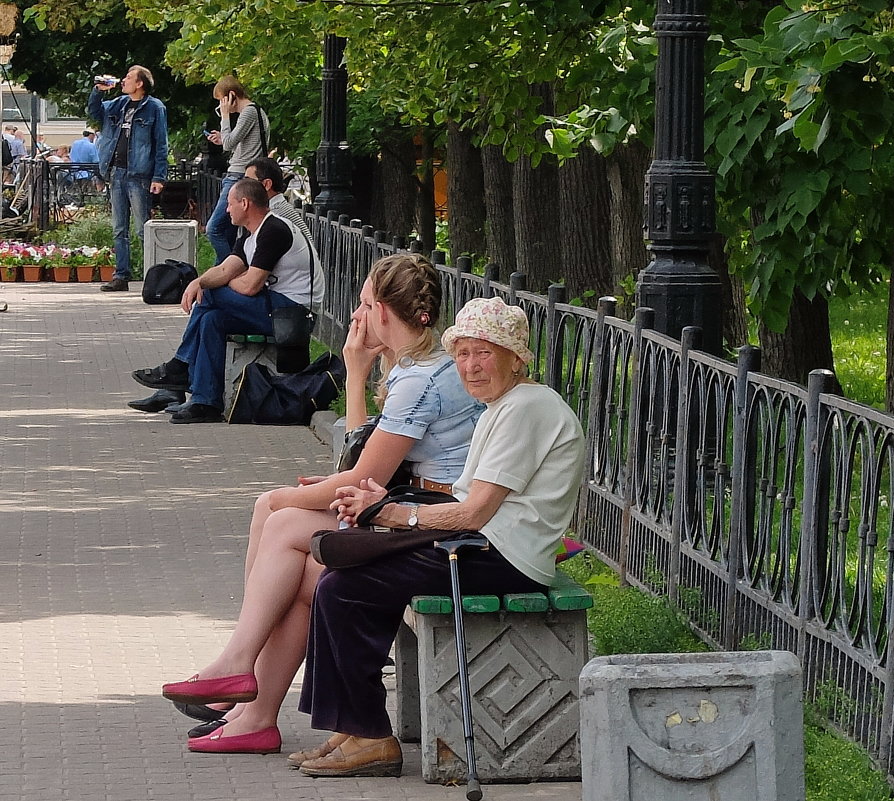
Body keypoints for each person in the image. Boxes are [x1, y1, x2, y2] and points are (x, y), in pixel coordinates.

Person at [160, 254, 484, 755]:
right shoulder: (417, 369)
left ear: (382, 313)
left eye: (363, 303)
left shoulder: (420, 380)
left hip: (437, 520)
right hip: (415, 506)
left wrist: (354, 376)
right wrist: (360, 376)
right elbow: (364, 460)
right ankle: (251, 706)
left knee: (281, 516)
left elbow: (360, 473)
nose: (356, 315)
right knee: (295, 570)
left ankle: (243, 682)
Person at [295, 298, 582, 777]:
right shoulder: (504, 404)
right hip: (487, 545)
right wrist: (386, 501)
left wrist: (393, 515)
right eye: (463, 354)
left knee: (345, 588)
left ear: (516, 357)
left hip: (505, 557)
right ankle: (353, 728)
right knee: (341, 580)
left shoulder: (526, 408)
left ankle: (370, 737)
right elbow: (469, 497)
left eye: (484, 353)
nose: (471, 366)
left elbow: (473, 513)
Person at [129, 178, 322, 423]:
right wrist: (198, 282)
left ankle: (180, 366)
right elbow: (224, 270)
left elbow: (250, 286)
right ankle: (205, 402)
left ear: (245, 203)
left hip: (293, 314)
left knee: (212, 294)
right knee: (212, 318)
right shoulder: (251, 233)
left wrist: (216, 284)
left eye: (230, 204)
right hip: (275, 308)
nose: (227, 209)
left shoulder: (274, 229)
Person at [88, 65, 169, 292]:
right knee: (119, 228)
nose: (124, 80)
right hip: (116, 172)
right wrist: (98, 90)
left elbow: (161, 144)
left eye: (129, 77)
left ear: (140, 83)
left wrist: (159, 176)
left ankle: (152, 278)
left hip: (139, 175)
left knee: (143, 228)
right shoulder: (118, 104)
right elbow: (94, 113)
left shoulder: (154, 108)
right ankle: (121, 276)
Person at [205, 76, 270, 262]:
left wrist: (225, 118)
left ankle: (230, 269)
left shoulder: (249, 112)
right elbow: (237, 143)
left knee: (214, 228)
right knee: (229, 232)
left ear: (231, 96)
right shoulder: (254, 112)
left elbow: (229, 144)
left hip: (238, 175)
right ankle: (224, 273)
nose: (221, 107)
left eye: (221, 101)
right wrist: (223, 138)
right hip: (242, 172)